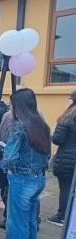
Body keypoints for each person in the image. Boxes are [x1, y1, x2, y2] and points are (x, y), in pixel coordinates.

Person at [0, 88, 51, 239]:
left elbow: (10, 157)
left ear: (18, 105)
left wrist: (6, 167)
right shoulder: (42, 125)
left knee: (17, 223)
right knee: (29, 222)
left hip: (21, 179)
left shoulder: (18, 126)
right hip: (39, 178)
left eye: (11, 104)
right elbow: (47, 154)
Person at [47, 91, 76, 226]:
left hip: (67, 159)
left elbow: (58, 139)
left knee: (66, 188)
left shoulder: (68, 117)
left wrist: (51, 135)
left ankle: (62, 216)